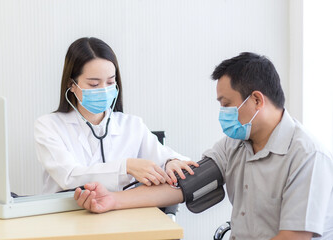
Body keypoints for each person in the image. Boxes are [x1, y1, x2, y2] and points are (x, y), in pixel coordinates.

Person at [74, 52, 333, 240]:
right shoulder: (235, 143)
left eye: (226, 103)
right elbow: (185, 184)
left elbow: (293, 237)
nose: (222, 112)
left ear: (256, 100)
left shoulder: (307, 156)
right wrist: (112, 200)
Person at [34, 37, 197, 194]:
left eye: (111, 82)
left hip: (120, 215)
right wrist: (125, 167)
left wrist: (171, 162)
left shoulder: (132, 125)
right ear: (72, 84)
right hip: (65, 216)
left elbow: (164, 157)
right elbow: (68, 177)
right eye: (94, 84)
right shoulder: (49, 126)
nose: (104, 89)